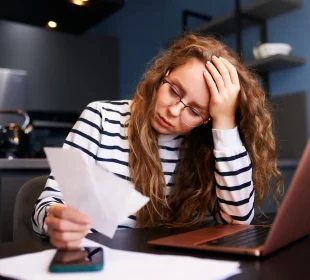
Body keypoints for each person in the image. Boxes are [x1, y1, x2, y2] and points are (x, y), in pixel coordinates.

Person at [32, 33, 282, 248]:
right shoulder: (101, 117)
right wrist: (55, 217)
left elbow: (236, 223)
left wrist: (225, 121)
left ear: (207, 120)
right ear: (164, 73)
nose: (174, 111)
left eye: (194, 112)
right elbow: (47, 206)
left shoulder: (204, 147)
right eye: (174, 90)